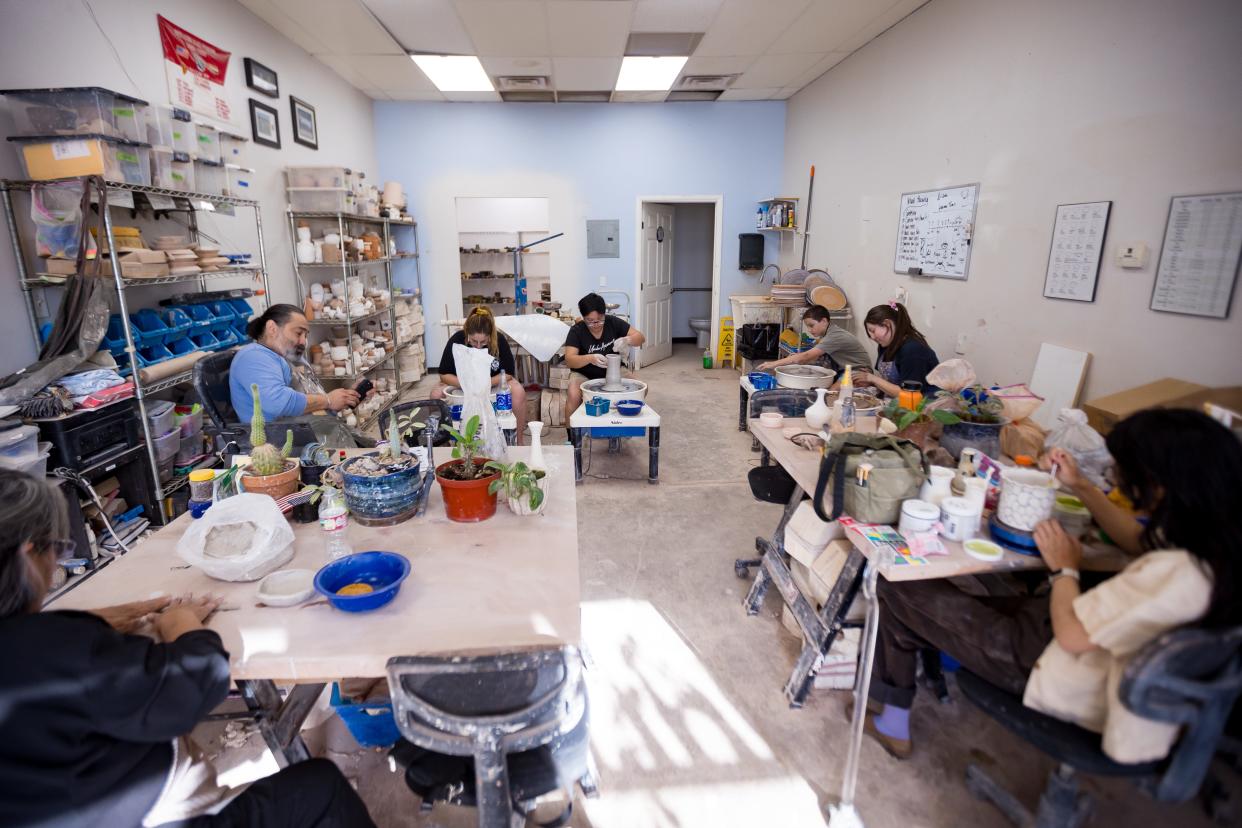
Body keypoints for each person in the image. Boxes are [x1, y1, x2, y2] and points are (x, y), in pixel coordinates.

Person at [858, 409, 1240, 764]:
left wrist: (1064, 570)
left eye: (1124, 474)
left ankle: (895, 714)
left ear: (1159, 485)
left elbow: (1073, 636)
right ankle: (898, 706)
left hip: (1048, 659)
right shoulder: (1212, 543)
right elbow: (1135, 541)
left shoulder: (1176, 573)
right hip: (1065, 632)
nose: (1118, 482)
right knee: (922, 600)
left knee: (897, 585)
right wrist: (1082, 486)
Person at [0, 470, 376, 827]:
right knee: (320, 787)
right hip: (151, 816)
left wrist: (99, 619)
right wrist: (180, 624)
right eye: (56, 550)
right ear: (26, 555)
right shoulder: (55, 649)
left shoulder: (38, 642)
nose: (54, 564)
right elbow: (196, 683)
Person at [229, 304, 360, 422]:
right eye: (298, 333)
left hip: (308, 432)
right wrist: (328, 401)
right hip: (276, 443)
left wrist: (346, 398)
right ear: (272, 328)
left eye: (306, 335)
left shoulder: (285, 357)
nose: (303, 341)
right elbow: (278, 403)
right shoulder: (253, 357)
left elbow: (311, 402)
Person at [432, 306, 527, 440]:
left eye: (483, 342)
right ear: (467, 333)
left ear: (490, 335)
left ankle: (519, 441)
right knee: (435, 394)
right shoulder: (457, 339)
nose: (477, 346)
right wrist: (465, 384)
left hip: (491, 384)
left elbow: (508, 373)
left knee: (519, 392)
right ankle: (443, 440)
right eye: (473, 341)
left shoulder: (499, 340)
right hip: (462, 386)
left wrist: (485, 383)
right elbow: (444, 373)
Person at [564, 293, 646, 414]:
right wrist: (590, 358)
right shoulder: (577, 330)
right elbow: (569, 359)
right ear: (583, 317)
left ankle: (621, 426)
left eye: (599, 320)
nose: (596, 325)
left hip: (615, 370)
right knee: (573, 395)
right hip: (584, 374)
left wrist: (627, 340)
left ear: (604, 314)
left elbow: (640, 337)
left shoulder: (613, 322)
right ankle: (572, 432)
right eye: (590, 321)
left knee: (641, 389)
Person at [856, 302, 940, 398]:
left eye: (872, 330)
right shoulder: (885, 344)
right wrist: (870, 382)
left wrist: (872, 378)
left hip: (924, 406)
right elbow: (889, 382)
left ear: (887, 324)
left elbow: (909, 395)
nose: (871, 337)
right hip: (896, 401)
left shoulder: (913, 349)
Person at [758, 305, 871, 375]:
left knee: (829, 394)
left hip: (860, 371)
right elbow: (809, 358)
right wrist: (791, 361)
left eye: (812, 325)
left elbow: (806, 356)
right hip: (844, 368)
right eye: (808, 327)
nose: (810, 330)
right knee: (797, 361)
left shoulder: (834, 336)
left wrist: (773, 364)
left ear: (824, 321)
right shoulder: (827, 333)